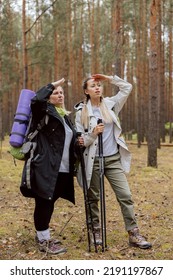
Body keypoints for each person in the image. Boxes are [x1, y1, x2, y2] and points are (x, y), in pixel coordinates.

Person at [75, 73, 152, 249]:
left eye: (99, 85)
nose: (97, 87)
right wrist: (93, 134)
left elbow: (127, 87)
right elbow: (81, 141)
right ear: (86, 91)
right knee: (92, 198)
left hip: (112, 159)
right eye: (93, 85)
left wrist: (109, 78)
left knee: (125, 195)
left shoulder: (110, 104)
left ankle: (133, 233)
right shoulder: (81, 112)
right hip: (92, 160)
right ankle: (95, 231)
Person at [20, 78, 78, 255]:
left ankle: (42, 234)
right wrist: (51, 85)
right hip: (45, 165)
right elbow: (36, 100)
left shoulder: (65, 116)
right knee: (44, 201)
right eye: (55, 92)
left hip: (62, 168)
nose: (59, 94)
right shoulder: (42, 111)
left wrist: (79, 141)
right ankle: (44, 239)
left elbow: (67, 142)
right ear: (48, 96)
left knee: (50, 201)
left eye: (61, 92)